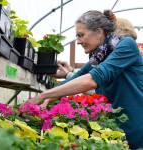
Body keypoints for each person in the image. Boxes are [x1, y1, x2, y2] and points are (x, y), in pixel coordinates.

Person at [26, 10, 143, 149]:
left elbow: (91, 80)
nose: (79, 41)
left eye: (81, 35)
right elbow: (78, 76)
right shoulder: (100, 55)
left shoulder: (126, 45)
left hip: (136, 124)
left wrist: (44, 95)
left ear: (99, 32)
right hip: (115, 126)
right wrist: (46, 101)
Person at [55, 17, 138, 80]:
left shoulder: (126, 46)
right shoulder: (103, 53)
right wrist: (71, 71)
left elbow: (95, 83)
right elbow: (90, 75)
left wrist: (68, 75)